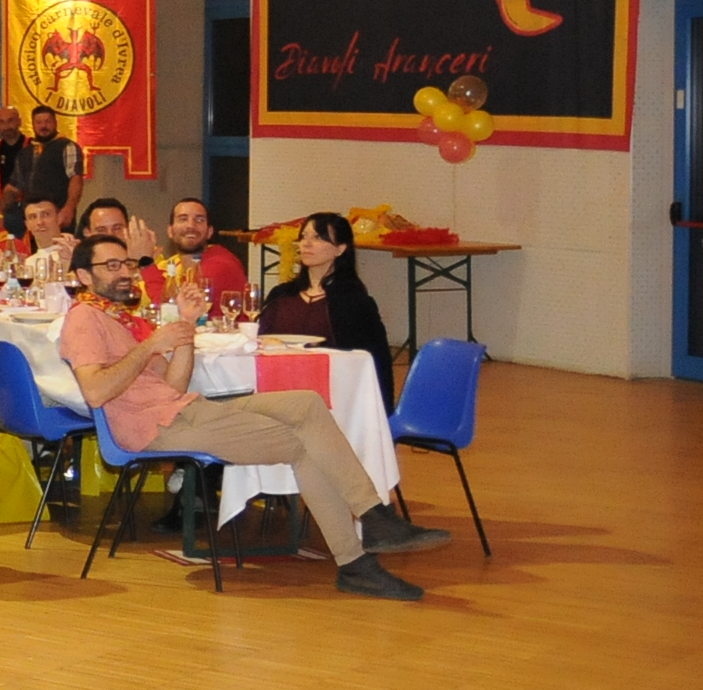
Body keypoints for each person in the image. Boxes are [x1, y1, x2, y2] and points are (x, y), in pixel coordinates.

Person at [59, 233, 440, 598]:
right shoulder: (84, 319)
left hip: (181, 408)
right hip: (155, 427)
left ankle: (374, 519)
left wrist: (186, 327)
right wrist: (150, 346)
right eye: (111, 266)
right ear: (84, 276)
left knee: (307, 403)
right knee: (305, 445)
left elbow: (173, 386)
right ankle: (357, 559)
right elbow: (95, 391)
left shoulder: (122, 318)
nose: (125, 272)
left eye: (126, 263)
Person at [256, 211, 397, 410]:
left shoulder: (353, 302)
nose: (306, 244)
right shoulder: (281, 295)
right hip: (275, 387)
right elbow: (258, 341)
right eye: (303, 237)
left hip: (332, 396)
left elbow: (376, 363)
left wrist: (381, 413)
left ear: (340, 249)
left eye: (318, 238)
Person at [144, 196, 254, 312]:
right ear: (170, 231)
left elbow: (174, 309)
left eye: (199, 220)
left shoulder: (221, 264)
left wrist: (146, 264)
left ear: (209, 232)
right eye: (183, 219)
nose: (191, 226)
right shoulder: (176, 265)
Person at [15, 104, 83, 225]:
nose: (43, 126)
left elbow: (76, 179)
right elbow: (15, 185)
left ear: (55, 123)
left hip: (59, 214)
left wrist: (69, 208)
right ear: (33, 125)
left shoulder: (67, 147)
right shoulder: (26, 152)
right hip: (31, 216)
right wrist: (0, 212)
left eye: (48, 122)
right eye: (39, 122)